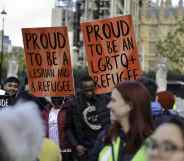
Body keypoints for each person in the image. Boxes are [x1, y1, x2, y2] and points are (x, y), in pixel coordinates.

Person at [90, 80, 154, 161]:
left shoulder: (154, 146)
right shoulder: (106, 136)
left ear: (129, 106)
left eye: (113, 100)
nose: (108, 106)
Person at [70, 72, 110, 161]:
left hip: (103, 145)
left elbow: (110, 121)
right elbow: (69, 127)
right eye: (86, 90)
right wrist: (76, 145)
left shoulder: (104, 100)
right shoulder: (75, 104)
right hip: (85, 149)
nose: (89, 93)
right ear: (81, 89)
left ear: (95, 87)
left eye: (91, 89)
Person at [42, 96, 75, 161]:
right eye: (54, 98)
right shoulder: (45, 111)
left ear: (62, 98)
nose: (56, 100)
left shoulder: (67, 110)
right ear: (51, 98)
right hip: (49, 148)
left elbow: (70, 128)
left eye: (58, 97)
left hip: (64, 147)